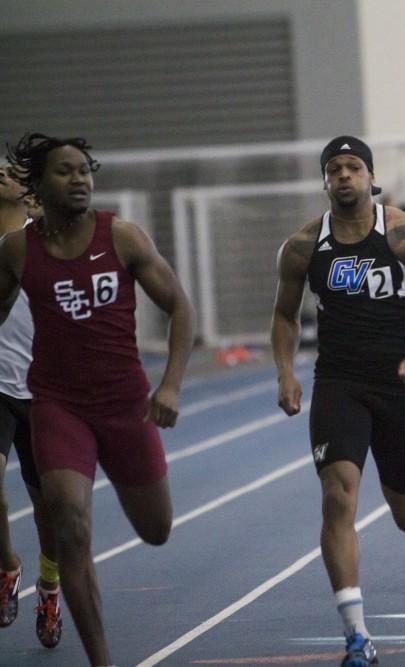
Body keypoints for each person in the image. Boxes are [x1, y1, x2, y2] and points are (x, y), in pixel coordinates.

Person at [0, 133, 194, 666]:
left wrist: (170, 384)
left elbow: (180, 307)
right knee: (68, 519)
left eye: (84, 170)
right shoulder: (18, 249)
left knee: (156, 531)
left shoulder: (123, 237)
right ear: (37, 185)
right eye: (64, 172)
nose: (79, 179)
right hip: (57, 404)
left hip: (125, 403)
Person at [271, 136, 405, 667]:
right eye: (334, 169)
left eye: (353, 167)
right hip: (339, 383)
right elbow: (283, 316)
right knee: (337, 497)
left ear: (371, 177)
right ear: (325, 181)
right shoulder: (303, 247)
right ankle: (355, 635)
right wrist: (285, 372)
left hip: (401, 383)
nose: (344, 176)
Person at [0, 165, 61, 648]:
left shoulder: (40, 243)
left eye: (9, 171)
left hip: (42, 393)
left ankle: (49, 586)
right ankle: (7, 566)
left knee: (50, 510)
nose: (0, 174)